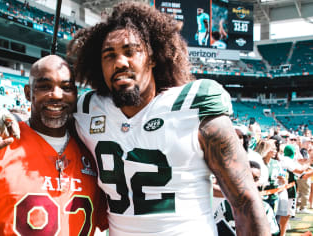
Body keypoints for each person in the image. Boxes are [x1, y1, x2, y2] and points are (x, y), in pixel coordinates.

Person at [68, 2, 270, 235]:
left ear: (153, 58)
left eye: (130, 51)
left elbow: (244, 201)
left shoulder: (194, 106)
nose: (120, 62)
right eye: (109, 55)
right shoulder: (86, 109)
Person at [0, 55, 107, 235]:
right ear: (27, 92)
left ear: (75, 94)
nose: (56, 94)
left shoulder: (92, 151)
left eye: (66, 87)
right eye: (44, 86)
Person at [214, 161, 280, 236]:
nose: (252, 182)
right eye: (248, 177)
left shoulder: (265, 209)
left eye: (256, 179)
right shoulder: (225, 206)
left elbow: (273, 233)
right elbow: (214, 229)